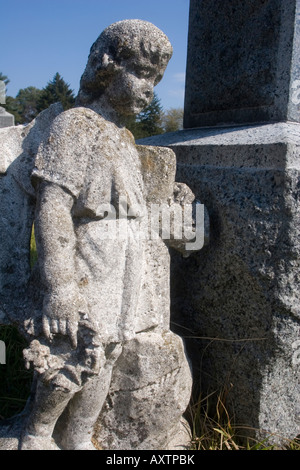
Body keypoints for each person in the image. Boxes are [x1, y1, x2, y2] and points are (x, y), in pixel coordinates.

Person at [19, 19, 195, 450]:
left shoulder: (121, 135)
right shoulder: (75, 126)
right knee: (72, 351)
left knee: (107, 355)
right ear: (107, 67)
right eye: (142, 74)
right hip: (89, 260)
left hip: (122, 265)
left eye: (156, 80)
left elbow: (130, 207)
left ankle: (79, 439)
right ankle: (38, 433)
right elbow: (55, 207)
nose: (149, 88)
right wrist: (60, 285)